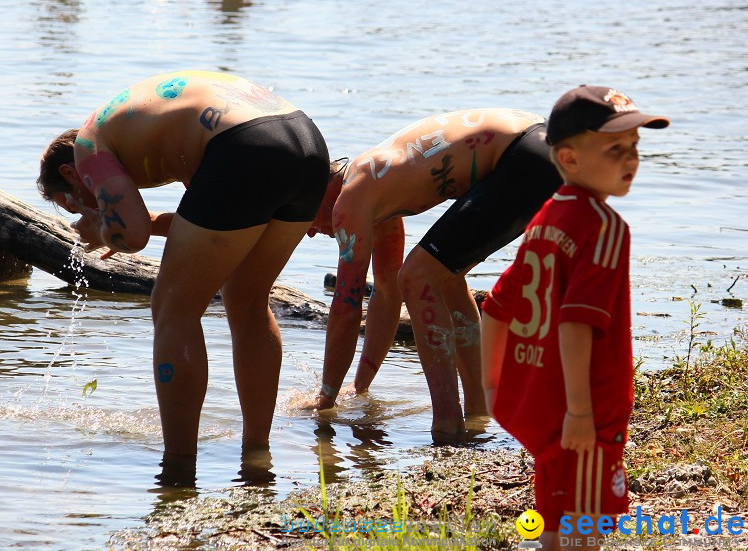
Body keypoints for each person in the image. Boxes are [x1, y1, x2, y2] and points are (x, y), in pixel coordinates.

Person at [37, 70, 330, 462]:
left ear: (70, 175)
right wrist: (126, 222)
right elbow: (219, 219)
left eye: (73, 202)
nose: (85, 209)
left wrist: (102, 230)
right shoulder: (157, 132)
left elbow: (134, 235)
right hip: (305, 142)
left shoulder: (88, 147)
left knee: (172, 306)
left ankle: (178, 466)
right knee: (246, 297)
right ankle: (257, 454)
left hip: (244, 146)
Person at [479, 86, 669, 550]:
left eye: (634, 149)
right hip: (582, 409)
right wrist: (582, 411)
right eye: (615, 149)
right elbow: (574, 321)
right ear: (569, 158)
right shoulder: (604, 228)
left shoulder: (546, 218)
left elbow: (496, 307)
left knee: (555, 517)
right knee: (586, 526)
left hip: (538, 400)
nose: (631, 159)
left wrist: (492, 387)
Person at [299, 108, 563, 440]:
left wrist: (326, 396)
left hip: (524, 154)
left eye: (299, 213)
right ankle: (478, 416)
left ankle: (447, 425)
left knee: (419, 277)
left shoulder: (351, 198)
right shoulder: (373, 191)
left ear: (316, 190)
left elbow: (346, 307)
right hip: (539, 149)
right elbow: (386, 292)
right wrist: (360, 385)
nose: (307, 231)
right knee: (443, 278)